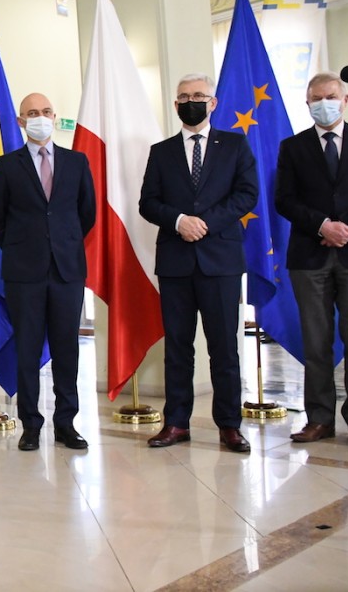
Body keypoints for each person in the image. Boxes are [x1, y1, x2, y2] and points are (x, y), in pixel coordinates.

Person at [139, 73, 258, 453]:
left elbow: (247, 194)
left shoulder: (235, 145)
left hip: (221, 262)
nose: (191, 102)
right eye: (184, 97)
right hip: (175, 264)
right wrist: (178, 221)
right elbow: (148, 202)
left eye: (198, 95)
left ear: (213, 102)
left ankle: (229, 425)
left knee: (224, 349)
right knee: (178, 348)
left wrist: (204, 223)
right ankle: (176, 423)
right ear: (176, 105)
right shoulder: (161, 152)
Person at [0, 92, 96, 451]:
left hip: (67, 271)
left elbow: (87, 213)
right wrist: (23, 246)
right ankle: (30, 425)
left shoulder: (76, 162)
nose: (41, 117)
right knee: (28, 350)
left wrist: (62, 242)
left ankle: (66, 423)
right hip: (24, 272)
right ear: (21, 121)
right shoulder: (7, 165)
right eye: (33, 113)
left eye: (46, 111)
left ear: (55, 116)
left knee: (67, 349)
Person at [275, 71, 348, 448]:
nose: (323, 104)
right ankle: (320, 418)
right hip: (309, 257)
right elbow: (284, 200)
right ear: (308, 103)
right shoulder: (293, 147)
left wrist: (345, 229)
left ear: (345, 100)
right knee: (316, 341)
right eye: (316, 98)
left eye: (330, 97)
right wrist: (323, 226)